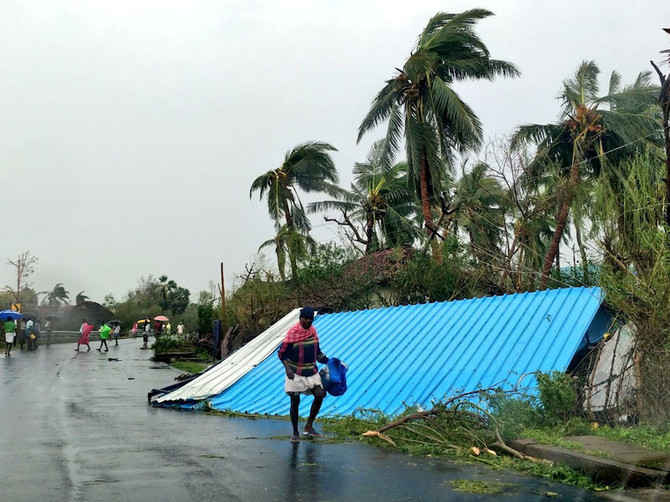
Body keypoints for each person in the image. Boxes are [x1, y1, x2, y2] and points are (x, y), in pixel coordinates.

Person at [277, 306, 329, 443]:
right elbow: (282, 354)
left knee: (320, 394)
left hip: (311, 372)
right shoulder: (292, 333)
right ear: (300, 318)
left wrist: (330, 362)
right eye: (305, 318)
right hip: (295, 373)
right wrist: (288, 369)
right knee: (295, 402)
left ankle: (308, 426)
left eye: (310, 319)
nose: (307, 321)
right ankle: (295, 432)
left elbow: (318, 353)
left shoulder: (313, 332)